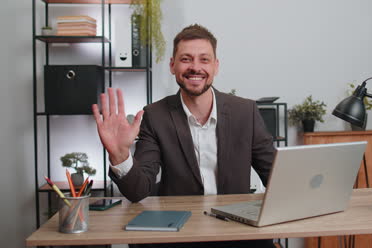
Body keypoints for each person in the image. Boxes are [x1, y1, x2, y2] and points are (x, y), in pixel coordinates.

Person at [92, 24, 276, 248]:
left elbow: (275, 176)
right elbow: (139, 191)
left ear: (216, 66)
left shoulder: (245, 112)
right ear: (172, 65)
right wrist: (120, 155)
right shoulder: (155, 115)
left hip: (235, 231)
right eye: (186, 59)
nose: (195, 67)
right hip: (180, 233)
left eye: (204, 60)